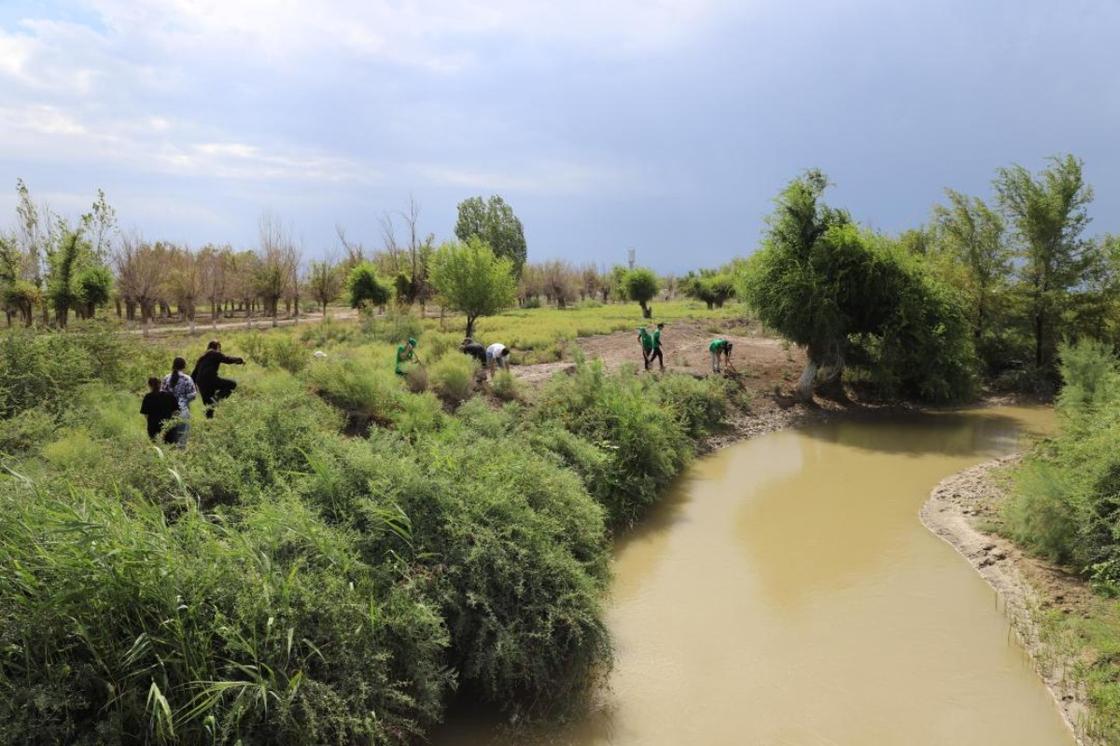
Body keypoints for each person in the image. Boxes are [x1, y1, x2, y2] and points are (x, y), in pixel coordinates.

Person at [191, 340, 245, 419]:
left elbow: (193, 375)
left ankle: (208, 426)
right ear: (217, 347)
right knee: (232, 384)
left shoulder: (202, 358)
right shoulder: (215, 353)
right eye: (220, 348)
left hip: (201, 383)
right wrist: (239, 360)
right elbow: (227, 359)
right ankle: (215, 399)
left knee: (209, 407)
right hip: (210, 379)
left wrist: (194, 387)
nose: (220, 350)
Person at [162, 357, 197, 446]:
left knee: (169, 442)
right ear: (184, 366)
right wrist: (185, 400)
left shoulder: (166, 378)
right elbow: (193, 395)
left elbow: (162, 394)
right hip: (182, 411)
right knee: (181, 441)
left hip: (168, 412)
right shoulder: (187, 379)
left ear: (173, 365)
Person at [140, 376, 179, 443]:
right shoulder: (170, 395)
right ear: (161, 384)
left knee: (157, 448)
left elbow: (146, 414)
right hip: (168, 426)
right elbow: (176, 412)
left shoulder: (148, 397)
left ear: (149, 385)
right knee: (170, 448)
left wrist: (152, 422)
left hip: (153, 427)